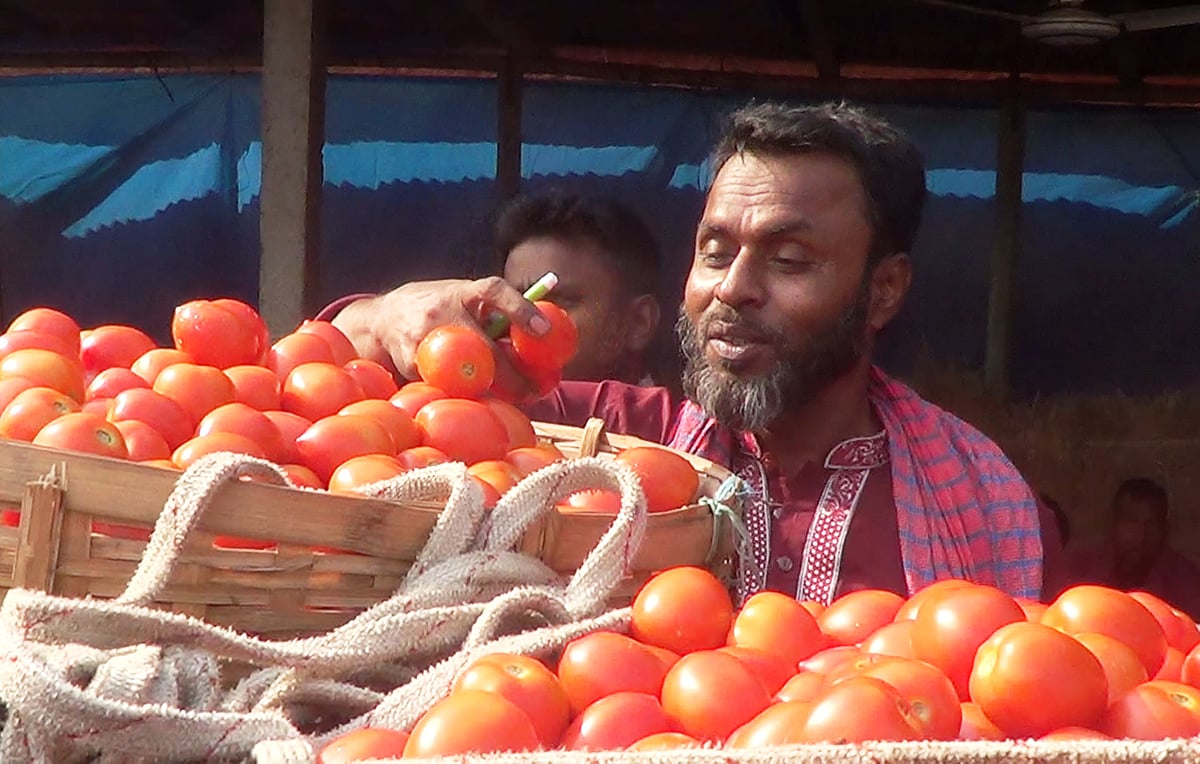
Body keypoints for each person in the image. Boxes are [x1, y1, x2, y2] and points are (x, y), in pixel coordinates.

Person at [329, 100, 1065, 604]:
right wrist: (382, 317)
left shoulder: (983, 502)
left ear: (884, 291)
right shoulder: (604, 441)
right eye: (714, 253)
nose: (732, 290)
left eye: (789, 260)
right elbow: (324, 393)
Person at [495, 191, 665, 386]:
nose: (522, 323)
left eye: (556, 303)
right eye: (511, 304)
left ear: (638, 323)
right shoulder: (479, 409)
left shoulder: (669, 416)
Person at [1066, 478, 1200, 618]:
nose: (1141, 535)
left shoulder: (1185, 580)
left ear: (1165, 530)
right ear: (1112, 523)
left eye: (1151, 524)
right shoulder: (1081, 570)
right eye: (1131, 521)